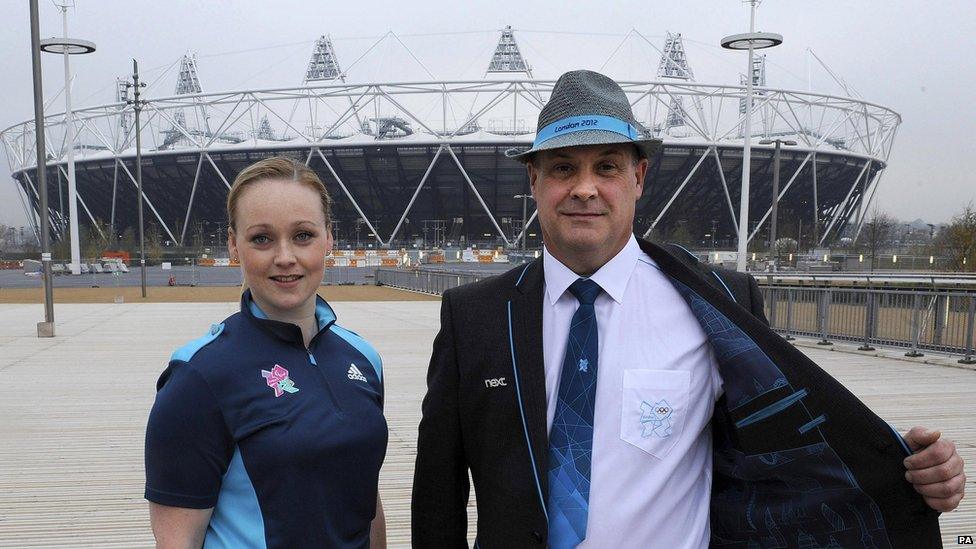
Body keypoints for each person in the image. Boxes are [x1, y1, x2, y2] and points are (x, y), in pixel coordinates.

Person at [411, 70, 965, 548]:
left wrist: (909, 469)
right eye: (561, 168)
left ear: (639, 177)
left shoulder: (720, 302)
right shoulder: (475, 314)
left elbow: (791, 443)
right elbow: (438, 489)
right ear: (534, 180)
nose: (584, 189)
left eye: (607, 166)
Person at [145, 157, 388, 548]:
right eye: (262, 238)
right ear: (233, 245)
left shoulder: (363, 358)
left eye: (303, 235)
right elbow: (177, 541)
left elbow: (367, 499)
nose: (285, 257)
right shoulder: (199, 376)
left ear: (330, 239)